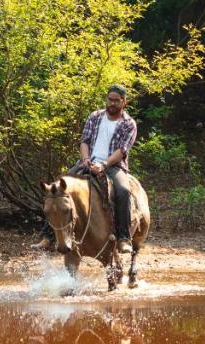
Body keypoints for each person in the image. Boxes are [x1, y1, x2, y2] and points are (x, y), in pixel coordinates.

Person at [32, 84, 139, 253]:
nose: (111, 103)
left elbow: (122, 150)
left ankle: (124, 237)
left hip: (113, 166)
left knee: (123, 191)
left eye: (116, 101)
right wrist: (86, 159)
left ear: (123, 102)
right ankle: (48, 237)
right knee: (56, 189)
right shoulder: (95, 116)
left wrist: (103, 164)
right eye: (109, 99)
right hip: (88, 162)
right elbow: (85, 141)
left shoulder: (129, 124)